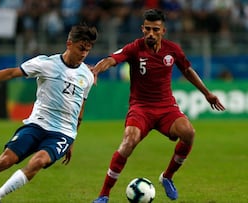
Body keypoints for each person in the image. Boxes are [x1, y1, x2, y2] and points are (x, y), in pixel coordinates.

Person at [0, 24, 98, 203]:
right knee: (6, 160)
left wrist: (73, 139)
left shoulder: (87, 75)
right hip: (37, 124)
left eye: (88, 50)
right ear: (69, 43)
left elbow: (80, 106)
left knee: (38, 162)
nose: (84, 54)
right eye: (81, 48)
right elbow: (11, 73)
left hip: (62, 133)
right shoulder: (46, 64)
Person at [92, 9, 225, 203]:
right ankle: (103, 195)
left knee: (189, 133)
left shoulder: (172, 50)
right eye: (147, 29)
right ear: (142, 29)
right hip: (141, 108)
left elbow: (187, 70)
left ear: (163, 30)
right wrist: (96, 70)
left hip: (166, 108)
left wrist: (207, 94)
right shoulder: (134, 48)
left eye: (155, 29)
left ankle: (167, 177)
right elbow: (112, 60)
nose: (151, 33)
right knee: (129, 141)